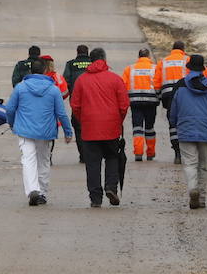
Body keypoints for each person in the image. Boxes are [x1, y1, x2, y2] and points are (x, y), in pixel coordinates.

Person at [5, 58, 74, 206]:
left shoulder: (20, 88)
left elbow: (10, 109)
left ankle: (32, 190)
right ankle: (42, 192)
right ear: (45, 71)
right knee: (43, 160)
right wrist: (68, 132)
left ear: (31, 72)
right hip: (45, 130)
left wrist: (12, 124)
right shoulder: (53, 89)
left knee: (28, 159)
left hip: (24, 130)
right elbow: (61, 113)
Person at [69, 47, 129, 208]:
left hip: (89, 129)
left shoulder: (81, 80)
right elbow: (124, 105)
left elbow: (75, 105)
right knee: (112, 158)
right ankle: (111, 187)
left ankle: (96, 198)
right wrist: (118, 120)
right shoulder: (115, 79)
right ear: (105, 59)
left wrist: (84, 120)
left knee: (92, 163)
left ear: (90, 60)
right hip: (111, 127)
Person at [167, 54, 207, 210]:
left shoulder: (180, 85)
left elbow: (173, 110)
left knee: (190, 164)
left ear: (188, 68)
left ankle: (193, 189)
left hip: (186, 129)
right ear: (203, 69)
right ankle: (203, 199)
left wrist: (174, 123)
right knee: (203, 165)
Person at [155, 40, 207, 164]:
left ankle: (177, 152)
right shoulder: (188, 60)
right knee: (186, 119)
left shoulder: (163, 62)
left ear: (172, 49)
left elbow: (157, 82)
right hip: (186, 92)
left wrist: (159, 96)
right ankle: (192, 150)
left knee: (173, 122)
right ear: (183, 50)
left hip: (168, 95)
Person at [122, 48, 159, 161]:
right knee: (149, 128)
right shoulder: (155, 68)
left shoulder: (130, 69)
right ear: (148, 57)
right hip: (151, 102)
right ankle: (150, 152)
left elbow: (123, 85)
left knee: (137, 128)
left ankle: (138, 153)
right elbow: (158, 83)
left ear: (138, 57)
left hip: (135, 102)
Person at [62, 44, 93, 163]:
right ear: (88, 52)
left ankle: (83, 154)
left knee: (78, 127)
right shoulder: (93, 63)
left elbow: (66, 81)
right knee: (91, 127)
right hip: (92, 101)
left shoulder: (71, 64)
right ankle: (91, 153)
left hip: (77, 102)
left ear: (77, 52)